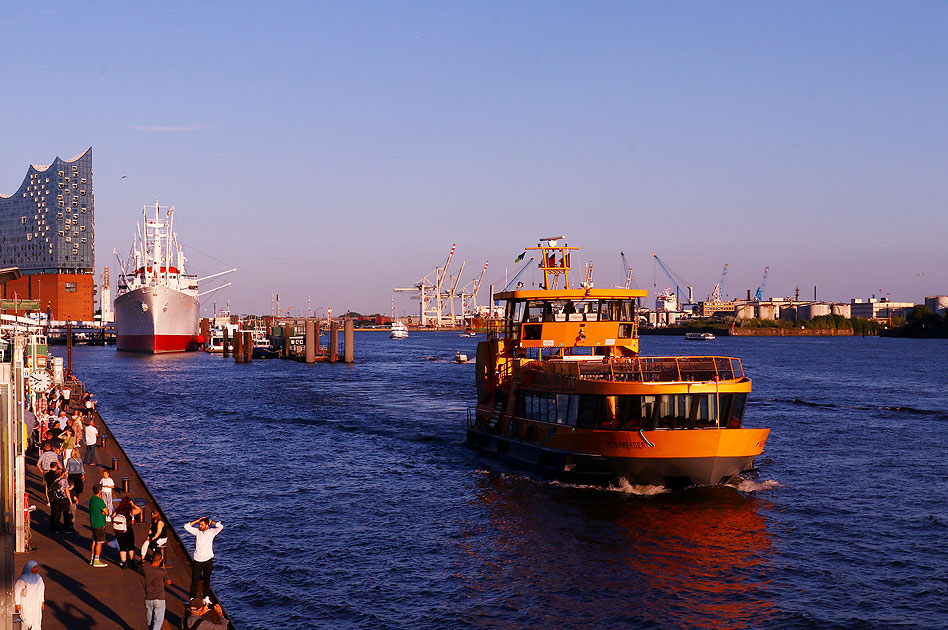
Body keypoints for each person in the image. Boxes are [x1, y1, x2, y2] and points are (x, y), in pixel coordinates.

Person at [184, 517, 224, 603]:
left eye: (202, 525)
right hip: (198, 560)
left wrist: (212, 522)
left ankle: (205, 597)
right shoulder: (197, 532)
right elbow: (186, 526)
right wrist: (198, 520)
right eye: (200, 524)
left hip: (208, 560)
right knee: (195, 580)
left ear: (207, 525)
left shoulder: (211, 532)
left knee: (207, 580)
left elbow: (220, 527)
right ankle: (192, 597)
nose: (200, 526)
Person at [143, 549, 172, 630]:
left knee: (149, 620)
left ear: (152, 559)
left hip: (148, 597)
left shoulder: (145, 569)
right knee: (158, 621)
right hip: (159, 598)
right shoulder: (162, 571)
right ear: (161, 560)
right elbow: (169, 582)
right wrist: (164, 570)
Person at [13, 561, 45, 630]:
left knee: (36, 620)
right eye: (34, 568)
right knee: (27, 621)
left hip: (36, 602)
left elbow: (41, 589)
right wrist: (17, 603)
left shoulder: (38, 578)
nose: (35, 569)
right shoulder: (22, 579)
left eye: (36, 567)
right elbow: (17, 591)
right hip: (26, 602)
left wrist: (42, 601)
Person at [113, 496, 142, 569]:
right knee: (130, 546)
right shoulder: (130, 511)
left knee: (122, 547)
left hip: (119, 532)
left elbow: (112, 517)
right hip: (128, 530)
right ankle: (132, 561)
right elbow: (139, 510)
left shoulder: (117, 510)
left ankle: (124, 562)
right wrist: (133, 504)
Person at [47, 466, 73, 533]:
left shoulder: (55, 480)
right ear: (63, 474)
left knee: (57, 513)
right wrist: (70, 499)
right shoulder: (64, 481)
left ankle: (55, 528)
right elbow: (67, 490)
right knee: (66, 513)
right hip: (63, 498)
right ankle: (67, 528)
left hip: (56, 498)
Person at [88, 483, 109, 567]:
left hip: (93, 522)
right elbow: (107, 512)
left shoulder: (92, 499)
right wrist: (104, 512)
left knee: (94, 541)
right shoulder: (99, 500)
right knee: (100, 542)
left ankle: (92, 558)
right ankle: (96, 560)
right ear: (100, 491)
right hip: (100, 523)